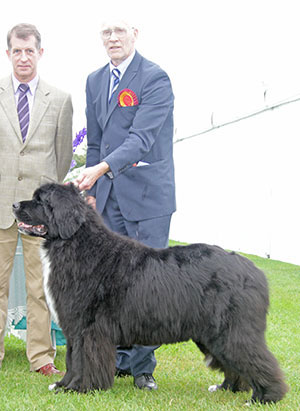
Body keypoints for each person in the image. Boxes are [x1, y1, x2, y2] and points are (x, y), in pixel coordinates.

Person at [76, 19, 176, 390]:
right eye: (106, 32)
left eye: (120, 30)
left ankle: (143, 366)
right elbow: (96, 141)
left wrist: (101, 168)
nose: (113, 38)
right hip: (109, 197)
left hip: (148, 196)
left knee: (148, 283)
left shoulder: (155, 78)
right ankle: (117, 358)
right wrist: (92, 185)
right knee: (111, 284)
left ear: (136, 33)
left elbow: (142, 138)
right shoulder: (94, 80)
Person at [0, 23, 73, 375]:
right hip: (0, 205)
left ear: (40, 53)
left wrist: (45, 206)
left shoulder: (59, 100)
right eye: (17, 50)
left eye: (30, 50)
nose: (24, 57)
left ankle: (42, 357)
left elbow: (61, 161)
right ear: (8, 52)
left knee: (39, 288)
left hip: (38, 214)